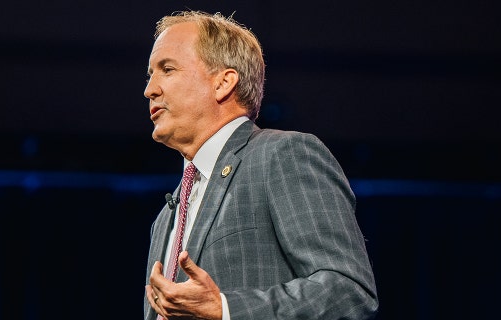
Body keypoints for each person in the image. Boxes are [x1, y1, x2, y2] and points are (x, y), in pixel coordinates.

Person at [143, 10, 379, 320]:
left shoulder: (283, 155)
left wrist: (225, 309)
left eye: (167, 69)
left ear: (223, 83)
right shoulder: (167, 217)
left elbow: (348, 292)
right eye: (150, 74)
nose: (150, 89)